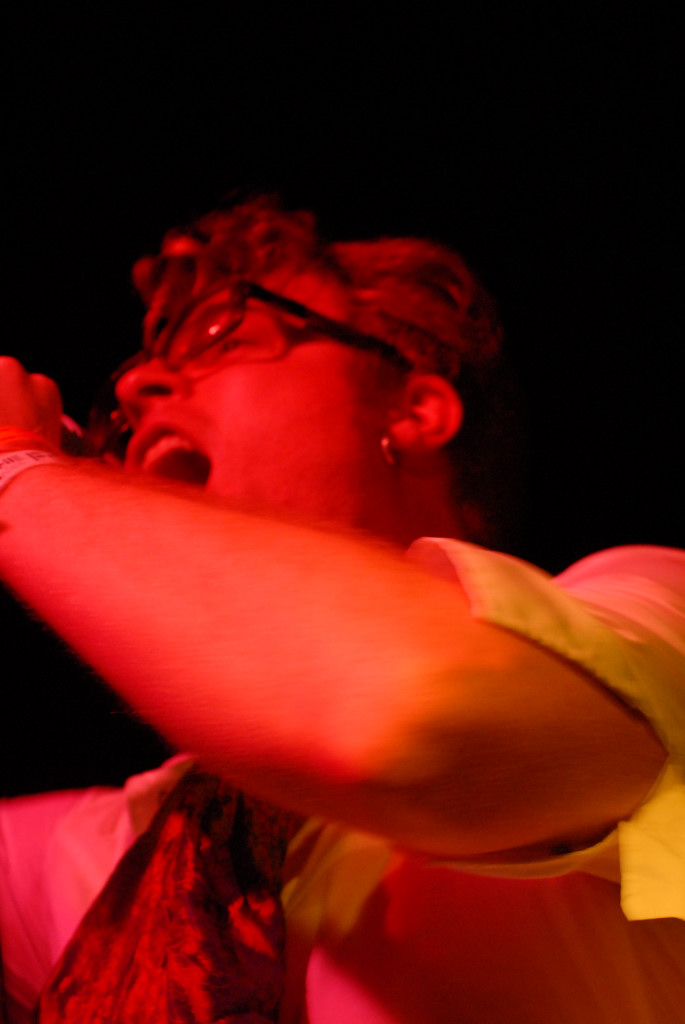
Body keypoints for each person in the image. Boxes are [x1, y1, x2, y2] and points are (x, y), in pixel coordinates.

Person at [0, 196, 683, 1023]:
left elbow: (408, 718)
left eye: (222, 334)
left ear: (414, 410)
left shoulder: (652, 610)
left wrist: (17, 471)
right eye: (139, 369)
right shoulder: (96, 853)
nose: (137, 385)